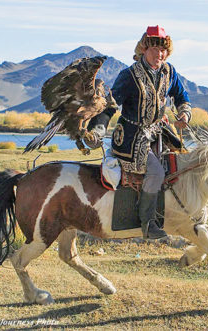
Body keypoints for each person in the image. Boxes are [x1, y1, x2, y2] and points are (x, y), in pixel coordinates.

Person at [86, 25, 192, 239]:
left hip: (159, 131)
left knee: (181, 165)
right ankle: (148, 224)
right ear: (144, 49)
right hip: (132, 137)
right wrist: (98, 129)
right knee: (156, 172)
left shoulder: (169, 72)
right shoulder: (129, 75)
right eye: (154, 49)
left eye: (163, 51)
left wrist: (184, 115)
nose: (159, 55)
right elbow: (110, 105)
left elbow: (182, 97)